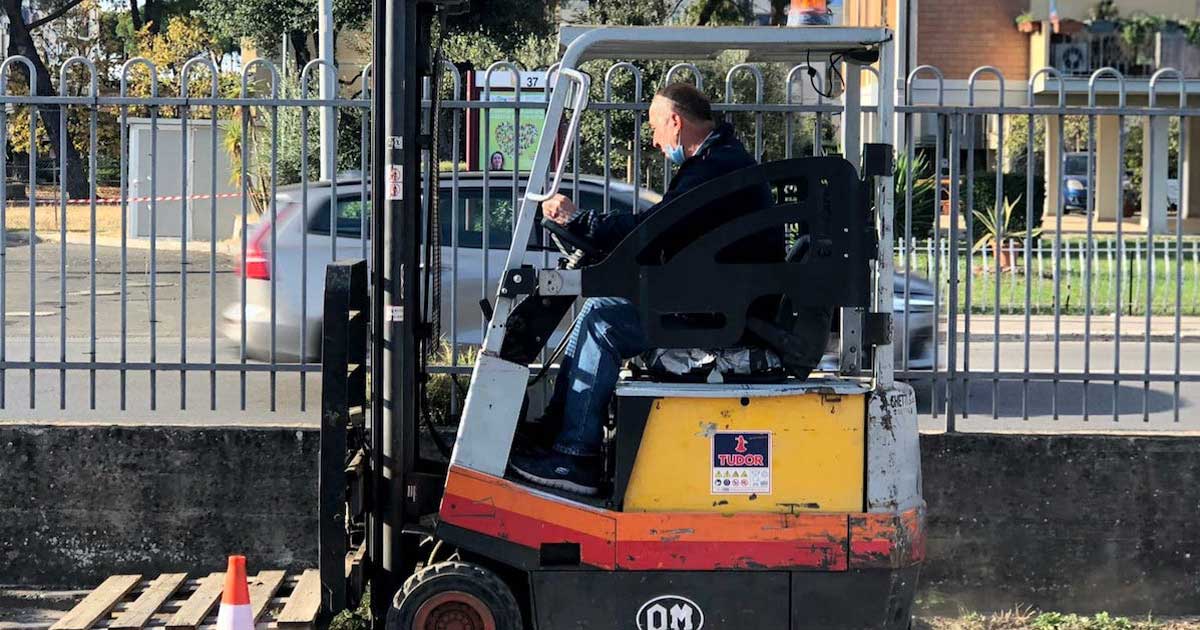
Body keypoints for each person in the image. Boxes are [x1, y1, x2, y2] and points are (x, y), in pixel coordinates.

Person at [509, 83, 778, 496]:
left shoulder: (714, 168)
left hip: (720, 315)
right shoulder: (718, 162)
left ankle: (575, 456)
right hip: (718, 301)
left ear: (675, 121)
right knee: (599, 307)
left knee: (603, 323)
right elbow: (665, 231)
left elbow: (654, 230)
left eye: (655, 128)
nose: (653, 141)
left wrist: (583, 221)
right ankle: (557, 430)